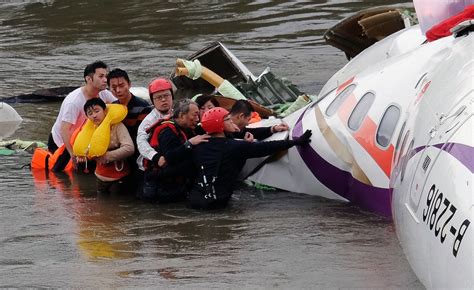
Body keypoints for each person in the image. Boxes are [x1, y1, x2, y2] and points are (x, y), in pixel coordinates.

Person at [188, 107, 312, 210]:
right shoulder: (235, 147)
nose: (232, 121)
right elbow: (267, 147)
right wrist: (296, 142)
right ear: (220, 125)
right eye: (227, 119)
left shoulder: (198, 145)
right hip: (217, 204)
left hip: (195, 199)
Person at [48, 61, 116, 172]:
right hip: (62, 141)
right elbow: (64, 130)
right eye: (101, 76)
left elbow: (118, 107)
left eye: (106, 76)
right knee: (67, 172)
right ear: (89, 79)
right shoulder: (74, 101)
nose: (105, 80)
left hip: (85, 136)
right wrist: (72, 154)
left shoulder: (104, 93)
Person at [142, 99, 209, 202]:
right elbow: (169, 157)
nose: (197, 119)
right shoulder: (167, 132)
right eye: (194, 115)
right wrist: (189, 144)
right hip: (160, 188)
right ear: (182, 115)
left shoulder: (188, 128)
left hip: (176, 184)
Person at [79, 98, 134, 194]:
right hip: (99, 176)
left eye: (97, 111)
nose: (94, 116)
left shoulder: (117, 126)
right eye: (90, 113)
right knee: (101, 206)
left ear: (104, 111)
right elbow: (87, 149)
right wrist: (84, 157)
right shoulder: (90, 129)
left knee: (116, 206)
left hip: (118, 178)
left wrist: (106, 156)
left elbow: (129, 148)